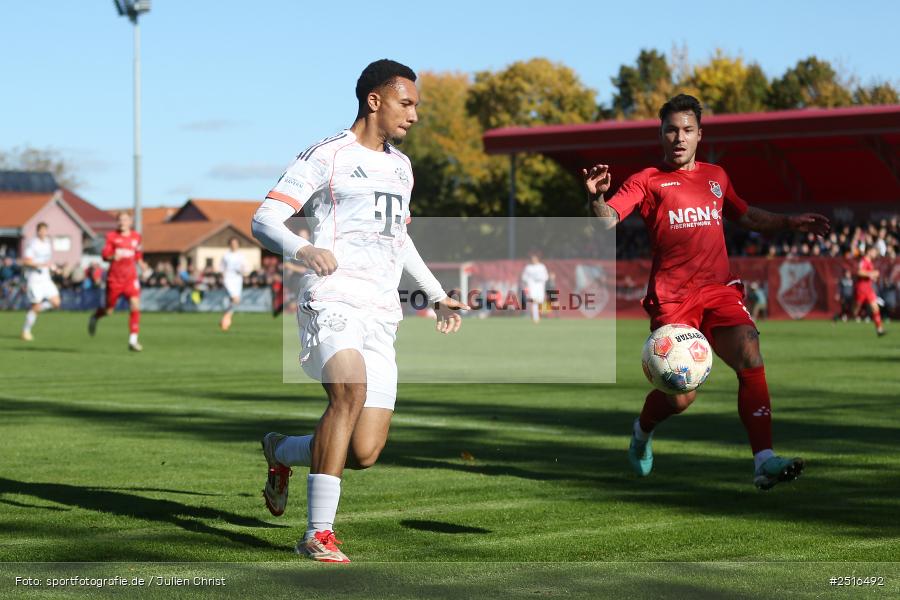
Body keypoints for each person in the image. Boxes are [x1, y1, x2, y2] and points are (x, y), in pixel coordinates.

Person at [250, 59, 469, 562]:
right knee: (349, 392)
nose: (414, 115)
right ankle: (317, 534)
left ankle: (280, 450)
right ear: (375, 101)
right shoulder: (326, 156)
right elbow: (265, 219)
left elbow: (399, 239)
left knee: (364, 451)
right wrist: (304, 250)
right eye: (406, 104)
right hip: (331, 298)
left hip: (380, 312)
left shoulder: (402, 167)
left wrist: (436, 294)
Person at [582, 94, 830, 491]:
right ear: (661, 135)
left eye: (687, 130)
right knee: (682, 398)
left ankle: (763, 460)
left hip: (718, 290)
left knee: (750, 352)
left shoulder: (717, 176)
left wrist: (789, 222)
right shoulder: (647, 180)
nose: (679, 138)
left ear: (700, 134)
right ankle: (642, 431)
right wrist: (596, 197)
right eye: (671, 130)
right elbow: (607, 220)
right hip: (673, 299)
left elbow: (745, 215)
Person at [88, 212, 147, 351]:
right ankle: (95, 317)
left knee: (135, 305)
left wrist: (142, 264)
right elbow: (105, 256)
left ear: (130, 222)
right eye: (120, 220)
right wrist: (112, 257)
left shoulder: (136, 237)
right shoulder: (111, 237)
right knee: (109, 311)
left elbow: (137, 255)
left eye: (125, 220)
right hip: (114, 279)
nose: (122, 222)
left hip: (130, 278)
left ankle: (133, 340)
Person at [20, 223, 61, 341]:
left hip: (46, 279)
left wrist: (54, 268)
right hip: (35, 279)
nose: (43, 232)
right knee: (36, 306)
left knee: (56, 303)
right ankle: (25, 331)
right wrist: (41, 265)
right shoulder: (33, 244)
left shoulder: (47, 243)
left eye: (45, 230)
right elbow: (26, 262)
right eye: (41, 230)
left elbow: (47, 262)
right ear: (37, 231)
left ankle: (33, 311)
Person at [852, 246, 886, 336]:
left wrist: (873, 276)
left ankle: (879, 329)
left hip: (868, 288)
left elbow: (868, 275)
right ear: (869, 251)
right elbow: (859, 272)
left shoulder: (870, 262)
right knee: (855, 310)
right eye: (874, 252)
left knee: (875, 308)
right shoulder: (863, 260)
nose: (875, 254)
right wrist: (872, 273)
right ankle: (841, 317)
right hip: (861, 288)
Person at [219, 237, 247, 331]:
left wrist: (243, 271)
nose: (234, 245)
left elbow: (245, 268)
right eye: (232, 243)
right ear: (230, 244)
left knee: (235, 301)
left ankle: (225, 318)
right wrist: (223, 278)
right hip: (228, 279)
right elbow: (221, 268)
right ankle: (226, 319)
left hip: (238, 279)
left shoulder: (241, 255)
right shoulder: (226, 255)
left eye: (236, 243)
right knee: (235, 299)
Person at [521, 252, 549, 323]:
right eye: (532, 259)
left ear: (537, 259)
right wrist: (527, 282)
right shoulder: (528, 267)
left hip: (540, 287)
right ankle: (536, 317)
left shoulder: (542, 267)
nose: (534, 260)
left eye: (535, 259)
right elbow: (524, 277)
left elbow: (546, 276)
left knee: (540, 301)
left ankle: (542, 314)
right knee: (534, 302)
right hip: (532, 287)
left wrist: (540, 279)